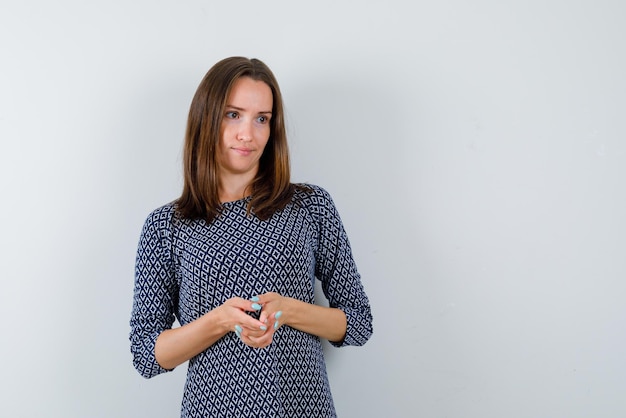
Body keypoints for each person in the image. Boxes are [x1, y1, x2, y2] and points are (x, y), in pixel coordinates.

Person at [130, 56, 373, 417]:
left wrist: (288, 311)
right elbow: (147, 354)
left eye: (262, 119)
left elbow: (358, 322)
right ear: (206, 118)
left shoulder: (310, 207)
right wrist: (220, 321)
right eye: (234, 115)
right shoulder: (167, 226)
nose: (248, 133)